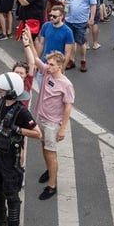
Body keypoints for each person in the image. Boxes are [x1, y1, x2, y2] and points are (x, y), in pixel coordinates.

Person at [0, 72, 41, 226]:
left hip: (10, 158)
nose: (0, 91)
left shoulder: (22, 111)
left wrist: (16, 129)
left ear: (12, 92)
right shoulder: (1, 102)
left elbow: (38, 134)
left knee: (11, 193)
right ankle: (0, 217)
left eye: (3, 89)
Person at [22, 31, 74, 201]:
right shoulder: (46, 72)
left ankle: (52, 185)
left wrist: (63, 129)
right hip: (42, 119)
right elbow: (36, 59)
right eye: (48, 63)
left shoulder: (66, 84)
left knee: (51, 153)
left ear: (59, 66)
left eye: (51, 64)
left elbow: (67, 107)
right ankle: (49, 169)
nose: (47, 66)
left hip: (52, 123)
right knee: (44, 148)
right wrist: (28, 40)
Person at [60, 0, 97, 72]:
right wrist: (63, 1)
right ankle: (71, 60)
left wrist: (92, 18)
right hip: (69, 19)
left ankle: (83, 61)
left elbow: (93, 5)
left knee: (82, 43)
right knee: (71, 42)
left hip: (81, 21)